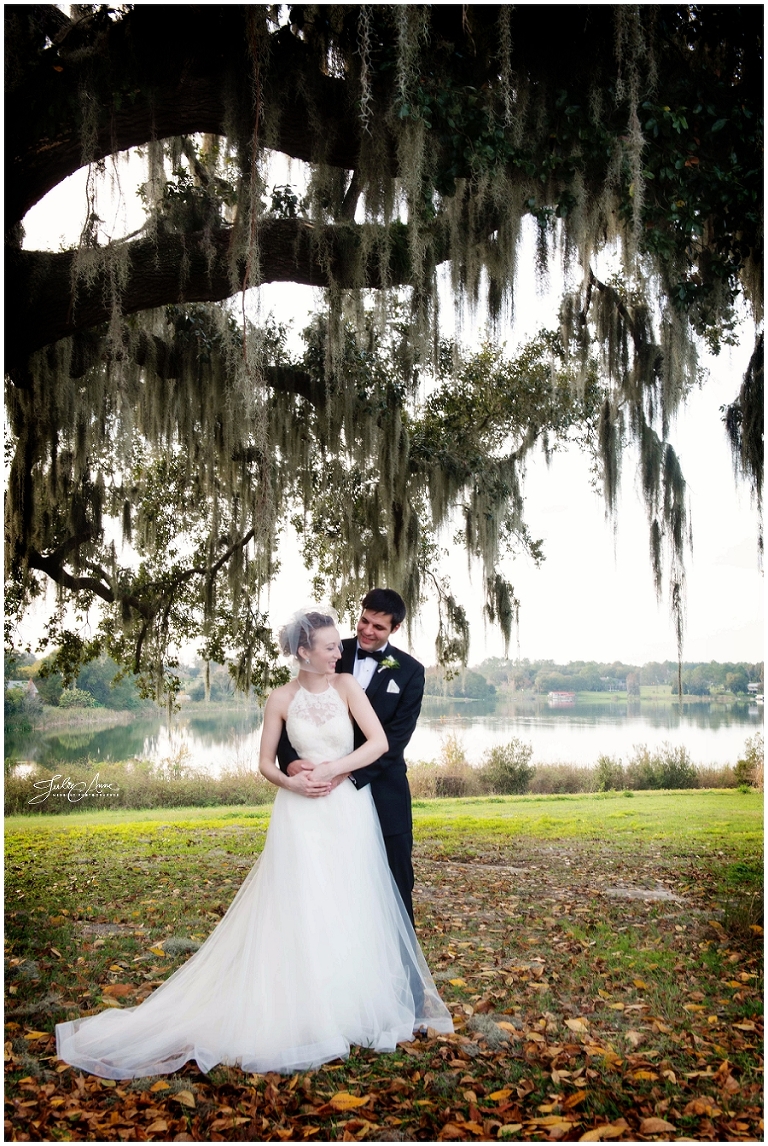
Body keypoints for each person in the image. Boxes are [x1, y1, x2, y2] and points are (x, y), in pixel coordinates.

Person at [55, 607, 452, 1080]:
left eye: (336, 645)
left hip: (347, 808)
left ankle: (350, 999)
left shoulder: (347, 686)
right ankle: (302, 1001)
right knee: (301, 902)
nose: (338, 651)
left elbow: (379, 744)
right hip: (300, 813)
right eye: (329, 646)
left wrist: (329, 770)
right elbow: (264, 763)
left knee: (349, 897)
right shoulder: (280, 698)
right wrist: (292, 779)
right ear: (304, 652)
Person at [278, 588, 423, 924]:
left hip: (383, 787)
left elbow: (396, 739)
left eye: (379, 627)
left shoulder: (410, 672)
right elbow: (295, 712)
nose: (368, 631)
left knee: (395, 878)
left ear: (395, 629)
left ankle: (402, 967)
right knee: (329, 878)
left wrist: (348, 773)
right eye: (364, 621)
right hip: (325, 795)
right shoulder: (329, 651)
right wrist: (289, 760)